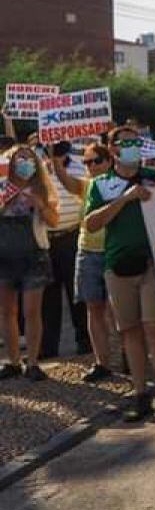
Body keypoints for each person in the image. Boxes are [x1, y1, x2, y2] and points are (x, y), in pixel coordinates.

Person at [84, 127, 155, 422]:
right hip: (117, 265)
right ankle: (140, 393)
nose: (131, 148)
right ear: (112, 150)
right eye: (125, 144)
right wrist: (124, 199)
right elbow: (92, 223)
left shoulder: (151, 177)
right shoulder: (101, 184)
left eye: (136, 142)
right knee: (130, 332)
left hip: (151, 263)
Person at [51, 142, 116, 382]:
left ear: (109, 162)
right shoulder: (87, 186)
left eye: (96, 161)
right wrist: (56, 158)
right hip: (87, 252)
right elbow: (64, 178)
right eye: (86, 162)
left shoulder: (120, 185)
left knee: (117, 311)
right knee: (93, 308)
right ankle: (102, 362)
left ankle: (130, 357)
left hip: (113, 251)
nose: (91, 166)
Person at [0, 144, 59, 380]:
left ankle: (33, 362)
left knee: (32, 311)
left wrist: (41, 205)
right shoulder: (3, 188)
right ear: (10, 163)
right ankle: (13, 361)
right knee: (7, 311)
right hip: (4, 256)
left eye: (28, 158)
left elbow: (54, 221)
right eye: (19, 158)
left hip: (34, 256)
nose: (24, 163)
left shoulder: (43, 188)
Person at [41, 140, 91, 358]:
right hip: (45, 239)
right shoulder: (38, 170)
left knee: (76, 293)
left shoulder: (82, 165)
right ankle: (48, 347)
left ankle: (85, 342)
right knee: (47, 296)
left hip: (72, 235)